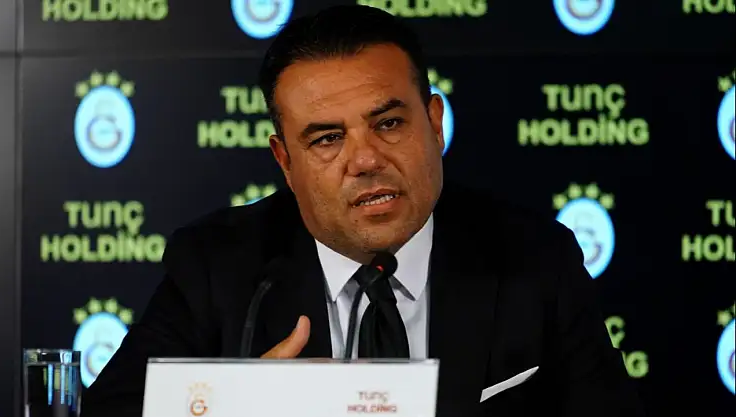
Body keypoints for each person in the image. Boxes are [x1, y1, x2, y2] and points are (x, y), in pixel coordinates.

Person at [82, 5, 645, 417]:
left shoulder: (534, 258)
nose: (366, 159)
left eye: (389, 123)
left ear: (435, 124)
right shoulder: (218, 267)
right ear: (285, 161)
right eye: (328, 138)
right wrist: (232, 404)